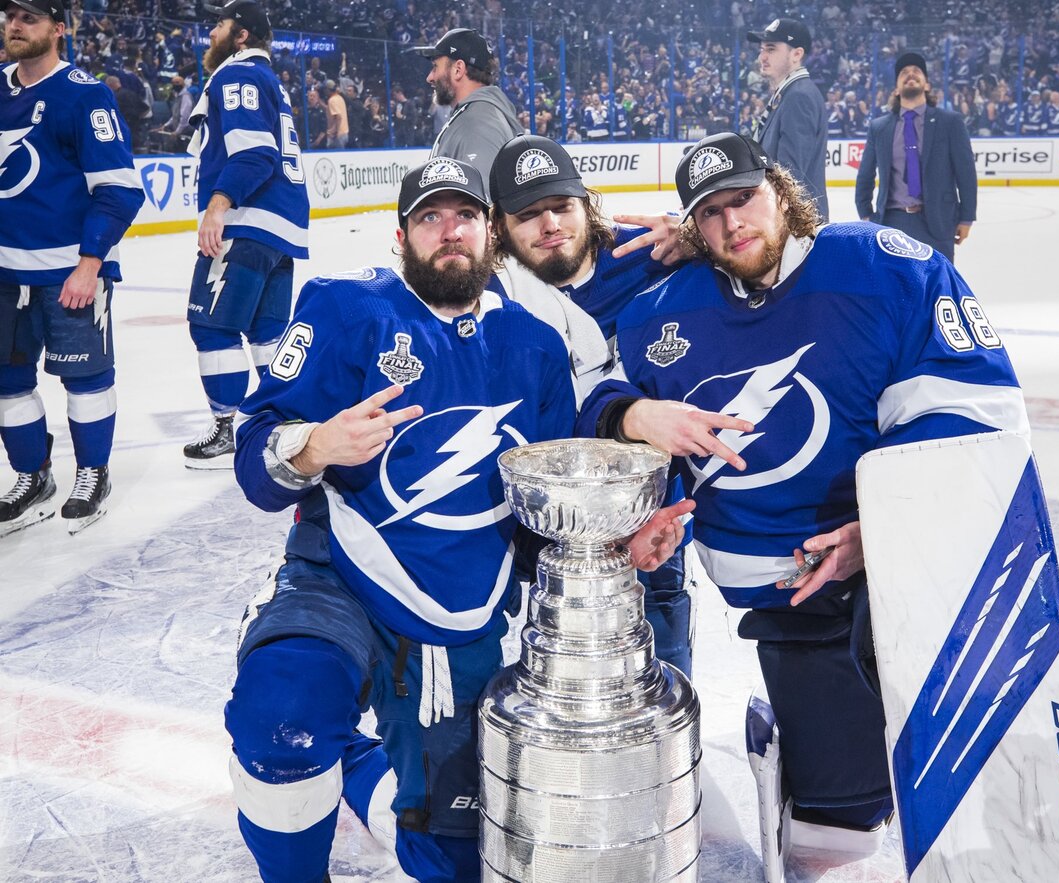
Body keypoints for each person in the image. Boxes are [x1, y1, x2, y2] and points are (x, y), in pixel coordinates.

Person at [226, 157, 692, 883]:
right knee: (281, 715)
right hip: (340, 581)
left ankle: (363, 769)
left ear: (489, 232)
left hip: (462, 617)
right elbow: (254, 458)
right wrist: (316, 444)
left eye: (465, 216)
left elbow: (542, 518)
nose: (451, 233)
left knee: (452, 860)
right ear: (402, 234)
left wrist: (620, 547)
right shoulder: (344, 310)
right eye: (430, 218)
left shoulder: (534, 346)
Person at [578, 132, 1028, 879]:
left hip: (911, 570)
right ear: (692, 226)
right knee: (840, 835)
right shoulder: (662, 313)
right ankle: (804, 765)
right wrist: (632, 420)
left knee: (955, 781)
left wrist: (882, 530)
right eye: (710, 213)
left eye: (744, 199)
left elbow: (977, 412)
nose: (731, 224)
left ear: (780, 192)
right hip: (788, 596)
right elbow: (601, 396)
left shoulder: (883, 268)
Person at [486, 133, 698, 677]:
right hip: (551, 524)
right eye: (529, 215)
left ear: (587, 203)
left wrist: (696, 233)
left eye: (562, 206)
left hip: (653, 515)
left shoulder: (649, 254)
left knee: (663, 670)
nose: (551, 224)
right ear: (501, 228)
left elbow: (761, 252)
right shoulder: (489, 293)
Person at [0, 0, 144, 536]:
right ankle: (32, 476)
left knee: (84, 379)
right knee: (7, 382)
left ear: (59, 29)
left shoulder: (85, 95)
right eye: (10, 15)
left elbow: (119, 191)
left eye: (30, 17)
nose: (15, 25)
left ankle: (91, 473)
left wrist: (90, 265)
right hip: (4, 274)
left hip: (68, 273)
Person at [182, 0, 309, 469]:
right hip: (280, 228)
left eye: (220, 24)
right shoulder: (269, 79)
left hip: (248, 223)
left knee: (210, 324)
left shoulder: (235, 77)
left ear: (241, 35)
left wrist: (219, 207)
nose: (211, 32)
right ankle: (282, 423)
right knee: (266, 332)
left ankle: (223, 431)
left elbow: (254, 155)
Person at [854, 52, 977, 263]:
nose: (910, 74)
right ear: (896, 88)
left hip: (938, 222)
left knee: (935, 290)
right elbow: (865, 175)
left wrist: (966, 218)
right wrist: (866, 216)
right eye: (904, 72)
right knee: (894, 290)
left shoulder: (950, 123)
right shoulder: (879, 128)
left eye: (916, 71)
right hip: (891, 223)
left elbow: (965, 173)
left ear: (927, 85)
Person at [414, 28, 522, 194]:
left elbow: (483, 207)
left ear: (458, 69)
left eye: (435, 67)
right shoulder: (477, 114)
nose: (430, 77)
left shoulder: (478, 123)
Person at [747, 17, 828, 220]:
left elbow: (789, 175)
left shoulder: (799, 96)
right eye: (762, 49)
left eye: (771, 49)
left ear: (797, 54)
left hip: (794, 225)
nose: (762, 57)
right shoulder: (788, 94)